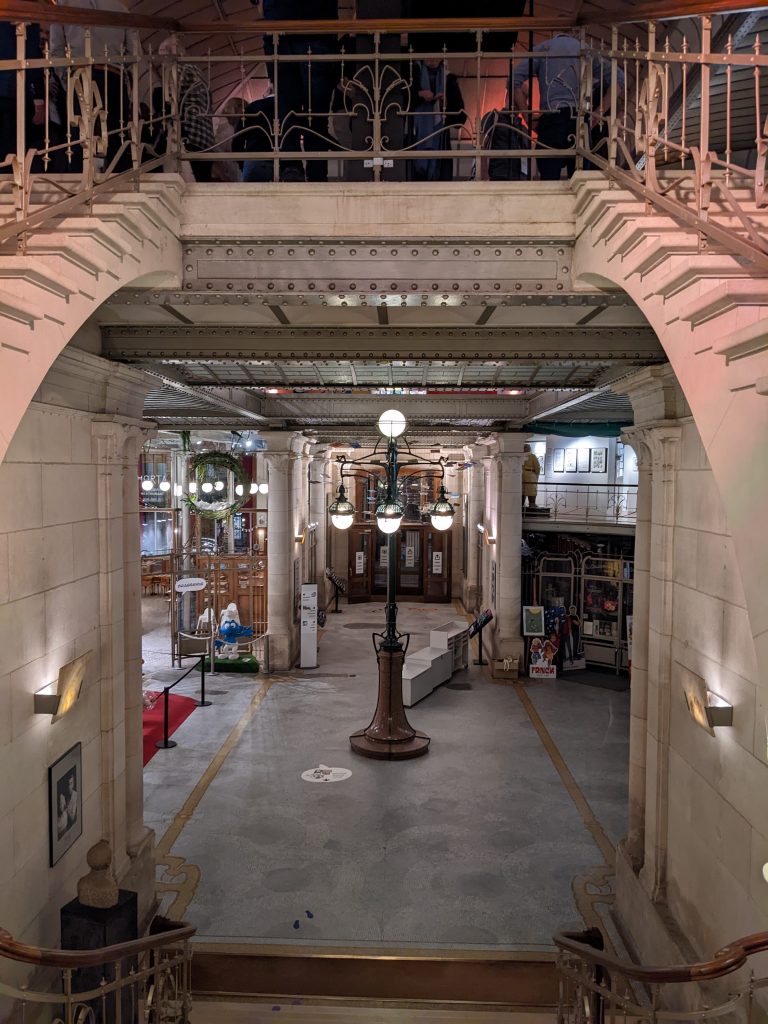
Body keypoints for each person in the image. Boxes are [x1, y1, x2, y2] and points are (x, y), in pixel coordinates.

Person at [512, 33, 623, 181]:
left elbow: (513, 80)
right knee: (580, 182)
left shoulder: (543, 48)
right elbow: (619, 79)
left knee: (549, 180)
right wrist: (598, 113)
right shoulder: (585, 50)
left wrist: (527, 117)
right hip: (579, 121)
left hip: (551, 120)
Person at [256, 0, 340, 183]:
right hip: (317, 29)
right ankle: (314, 173)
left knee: (288, 109)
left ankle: (292, 169)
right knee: (315, 113)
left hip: (280, 30)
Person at [49, 0, 134, 173]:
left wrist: (66, 79)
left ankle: (81, 182)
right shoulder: (121, 8)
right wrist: (128, 80)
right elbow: (134, 53)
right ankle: (119, 180)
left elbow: (56, 50)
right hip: (112, 74)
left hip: (79, 75)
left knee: (79, 136)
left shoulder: (63, 6)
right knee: (117, 134)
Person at [157, 35, 214, 183]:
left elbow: (170, 99)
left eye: (164, 55)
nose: (163, 62)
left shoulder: (178, 69)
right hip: (207, 139)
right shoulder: (199, 72)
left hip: (190, 135)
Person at [408, 58, 466, 182]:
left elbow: (460, 119)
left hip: (440, 141)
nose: (433, 59)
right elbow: (398, 104)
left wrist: (446, 104)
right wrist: (419, 95)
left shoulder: (449, 78)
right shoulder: (412, 74)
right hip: (414, 140)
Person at [0, 17, 45, 173]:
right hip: (13, 86)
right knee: (13, 149)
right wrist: (39, 97)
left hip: (10, 86)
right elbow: (31, 55)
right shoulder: (23, 9)